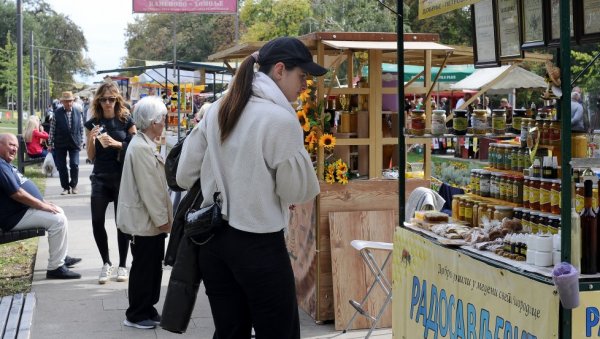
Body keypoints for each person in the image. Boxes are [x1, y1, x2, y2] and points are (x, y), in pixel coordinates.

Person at [176, 36, 323, 339]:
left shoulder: (218, 108)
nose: (305, 85)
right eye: (302, 75)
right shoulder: (280, 119)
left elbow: (184, 173)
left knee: (230, 332)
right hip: (259, 246)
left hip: (213, 242)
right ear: (280, 70)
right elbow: (298, 192)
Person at [116, 96, 172, 330]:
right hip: (145, 222)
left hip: (147, 221)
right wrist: (163, 222)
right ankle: (137, 313)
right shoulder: (140, 148)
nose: (165, 123)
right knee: (144, 267)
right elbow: (150, 190)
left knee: (150, 266)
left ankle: (146, 308)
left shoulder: (143, 144)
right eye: (163, 119)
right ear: (153, 121)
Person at [0, 133, 81, 279]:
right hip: (13, 217)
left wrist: (42, 203)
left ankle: (60, 256)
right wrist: (42, 206)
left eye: (16, 147)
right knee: (58, 220)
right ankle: (55, 268)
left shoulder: (4, 163)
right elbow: (17, 194)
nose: (14, 149)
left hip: (21, 210)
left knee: (58, 211)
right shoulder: (0, 166)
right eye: (11, 145)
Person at [85, 82, 137, 285]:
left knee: (121, 223)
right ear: (99, 101)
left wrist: (118, 145)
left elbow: (136, 145)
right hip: (100, 177)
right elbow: (90, 156)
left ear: (117, 100)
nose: (108, 103)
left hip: (121, 177)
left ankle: (123, 264)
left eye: (112, 99)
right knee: (97, 220)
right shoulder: (93, 122)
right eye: (104, 99)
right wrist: (91, 139)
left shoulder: (125, 120)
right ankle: (106, 263)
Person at [48, 91, 84, 195]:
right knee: (62, 166)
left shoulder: (78, 112)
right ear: (62, 102)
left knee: (74, 164)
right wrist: (50, 143)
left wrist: (81, 141)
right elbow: (52, 129)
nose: (68, 103)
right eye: (66, 101)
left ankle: (74, 185)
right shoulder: (57, 113)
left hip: (75, 142)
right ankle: (65, 187)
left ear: (73, 101)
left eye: (70, 101)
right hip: (60, 142)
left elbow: (81, 127)